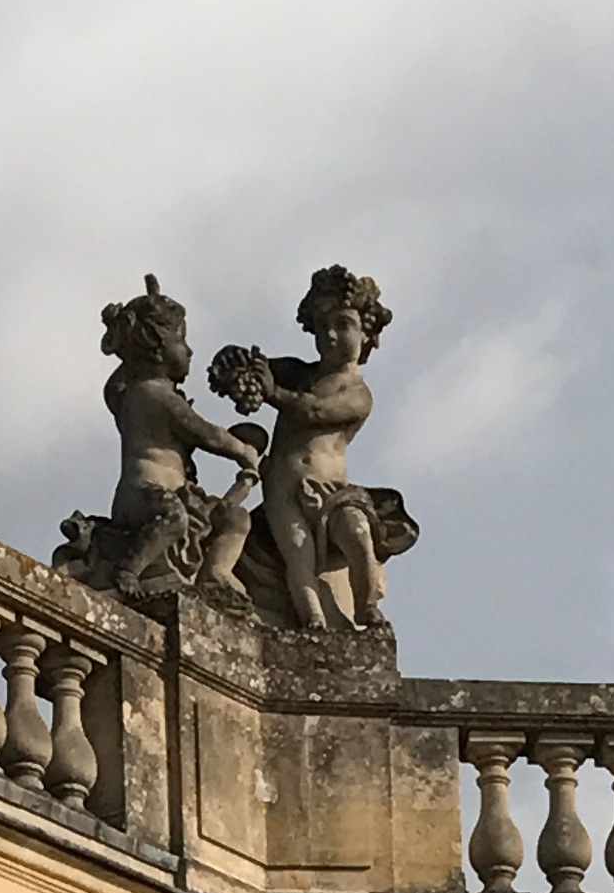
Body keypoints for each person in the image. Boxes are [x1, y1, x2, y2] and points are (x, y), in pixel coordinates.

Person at [211, 266, 416, 634]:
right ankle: (314, 623)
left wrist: (271, 392)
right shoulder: (298, 371)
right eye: (322, 329)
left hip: (332, 489)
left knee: (357, 535)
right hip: (283, 484)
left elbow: (314, 411)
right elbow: (258, 368)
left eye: (343, 324)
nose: (331, 336)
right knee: (298, 555)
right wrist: (236, 364)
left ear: (367, 334)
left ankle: (367, 607)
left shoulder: (358, 394)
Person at [57, 276, 260, 606]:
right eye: (182, 341)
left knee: (235, 518)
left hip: (178, 493)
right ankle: (129, 569)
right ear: (156, 346)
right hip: (142, 495)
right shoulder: (154, 394)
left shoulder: (131, 392)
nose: (190, 351)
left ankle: (215, 574)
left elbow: (113, 388)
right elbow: (206, 433)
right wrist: (243, 451)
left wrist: (130, 343)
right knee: (175, 520)